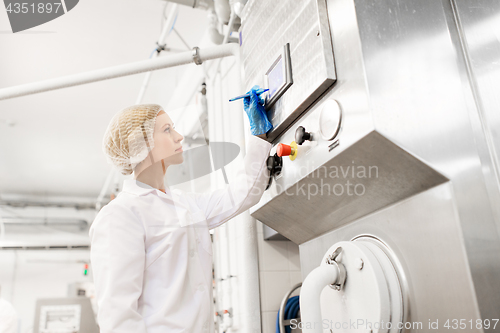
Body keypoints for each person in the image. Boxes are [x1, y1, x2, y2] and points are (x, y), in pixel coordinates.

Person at [89, 85, 273, 333]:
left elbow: (242, 194)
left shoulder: (185, 204)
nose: (179, 136)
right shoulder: (120, 215)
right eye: (167, 130)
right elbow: (118, 314)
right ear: (140, 144)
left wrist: (258, 136)